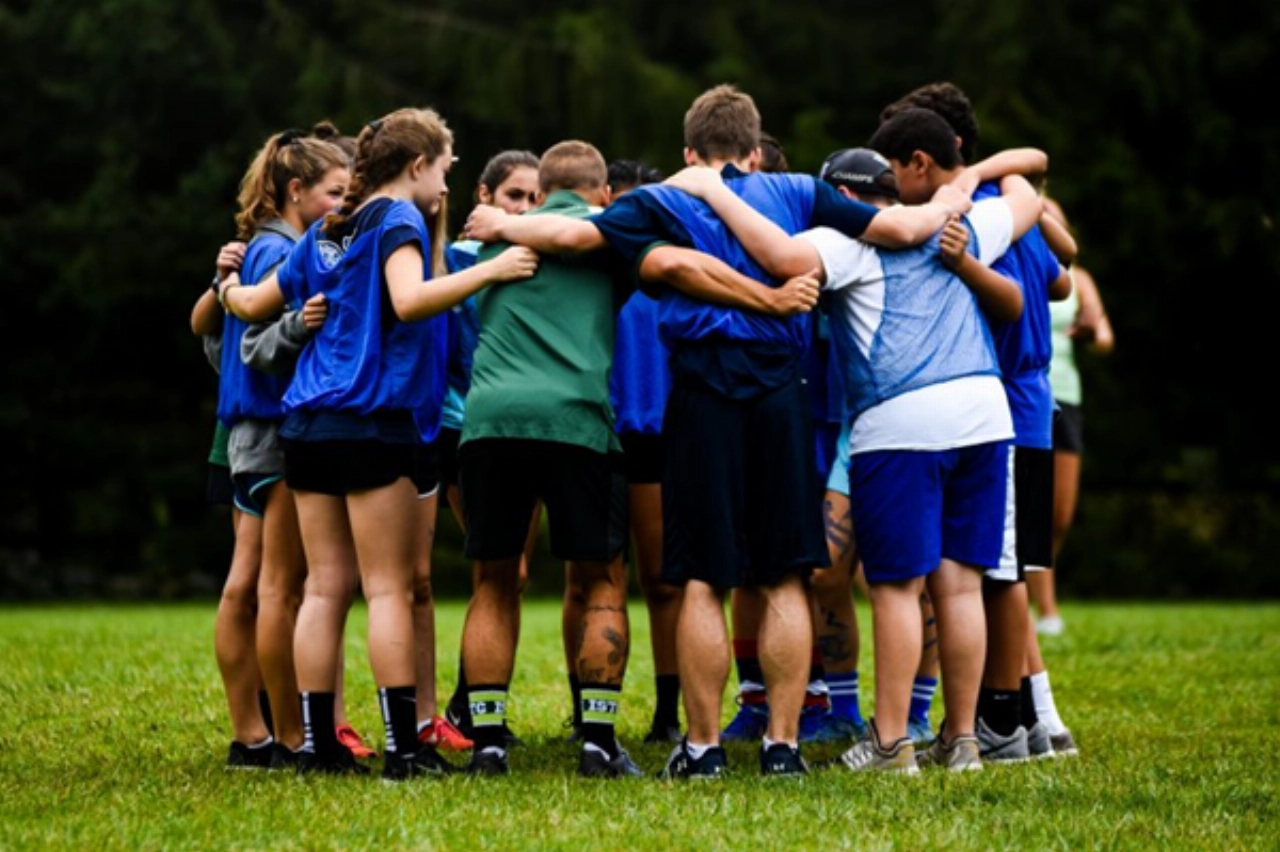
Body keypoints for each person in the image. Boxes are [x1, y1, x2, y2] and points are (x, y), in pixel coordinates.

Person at [462, 84, 970, 779]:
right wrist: (958, 194)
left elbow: (576, 235)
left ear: (689, 152)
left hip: (702, 388)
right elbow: (898, 229)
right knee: (784, 574)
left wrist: (502, 224)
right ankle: (783, 747)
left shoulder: (662, 198)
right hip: (780, 389)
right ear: (755, 150)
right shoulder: (798, 190)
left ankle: (702, 749)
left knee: (703, 577)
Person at [667, 124, 1043, 773]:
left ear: (845, 197)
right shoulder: (964, 225)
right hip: (985, 414)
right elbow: (1029, 191)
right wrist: (966, 181)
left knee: (896, 588)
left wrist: (715, 192)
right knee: (960, 589)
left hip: (900, 421)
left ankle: (892, 744)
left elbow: (778, 257)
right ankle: (962, 741)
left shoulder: (843, 245)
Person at [455, 139, 824, 778]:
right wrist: (768, 301)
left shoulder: (482, 243)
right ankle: (598, 741)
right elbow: (678, 264)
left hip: (490, 420)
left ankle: (487, 741)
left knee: (493, 582)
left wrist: (503, 224)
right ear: (605, 194)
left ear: (539, 195)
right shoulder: (611, 240)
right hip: (577, 421)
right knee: (602, 579)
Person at [219, 106, 538, 780]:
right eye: (444, 169)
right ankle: (403, 751)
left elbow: (251, 306)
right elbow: (410, 300)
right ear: (416, 166)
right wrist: (493, 270)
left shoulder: (326, 229)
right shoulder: (397, 219)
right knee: (388, 589)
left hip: (306, 426)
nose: (446, 185)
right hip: (372, 419)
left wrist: (226, 285)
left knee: (324, 589)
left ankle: (318, 749)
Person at [882, 84, 1078, 762]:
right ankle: (1033, 719)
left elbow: (1038, 288)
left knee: (999, 571)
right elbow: (1060, 279)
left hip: (1004, 403)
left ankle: (1001, 720)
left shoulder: (969, 217)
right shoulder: (1009, 202)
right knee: (1005, 568)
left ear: (936, 153)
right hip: (1033, 402)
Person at [440, 150, 542, 750]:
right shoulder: (456, 260)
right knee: (502, 570)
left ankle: (475, 707)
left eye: (534, 199)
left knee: (511, 574)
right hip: (462, 426)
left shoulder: (538, 258)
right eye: (514, 196)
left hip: (522, 428)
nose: (524, 209)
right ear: (484, 196)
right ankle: (464, 709)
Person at [603, 157, 684, 745]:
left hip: (662, 432)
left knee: (662, 580)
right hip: (599, 430)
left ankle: (667, 714)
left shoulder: (675, 265)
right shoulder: (594, 261)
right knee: (593, 580)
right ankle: (590, 714)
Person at [1036, 204, 1115, 638]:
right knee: (1034, 510)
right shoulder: (1023, 264)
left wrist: (1094, 333)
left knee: (1061, 516)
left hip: (1068, 396)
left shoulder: (1080, 279)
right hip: (1028, 395)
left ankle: (1036, 593)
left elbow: (1104, 337)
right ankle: (1047, 610)